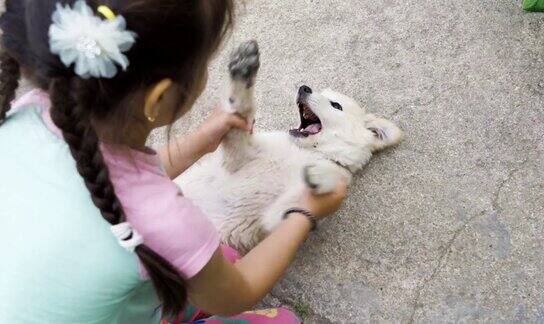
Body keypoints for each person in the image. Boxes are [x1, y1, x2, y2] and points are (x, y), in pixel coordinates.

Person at [0, 1, 348, 323]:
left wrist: (199, 142)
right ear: (161, 98)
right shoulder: (165, 221)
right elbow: (236, 294)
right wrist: (304, 210)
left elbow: (113, 185)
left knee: (216, 257)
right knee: (280, 317)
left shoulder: (26, 111)